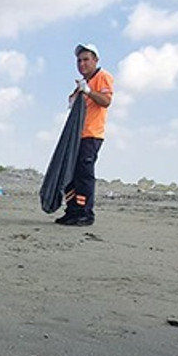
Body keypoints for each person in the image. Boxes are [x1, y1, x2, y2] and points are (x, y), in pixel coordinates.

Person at [57, 43, 113, 227]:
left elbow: (105, 101)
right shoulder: (82, 84)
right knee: (70, 175)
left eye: (86, 59)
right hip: (75, 137)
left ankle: (85, 213)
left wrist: (88, 91)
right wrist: (75, 96)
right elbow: (73, 106)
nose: (82, 64)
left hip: (91, 135)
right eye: (79, 60)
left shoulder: (102, 77)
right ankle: (72, 211)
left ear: (95, 60)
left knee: (84, 175)